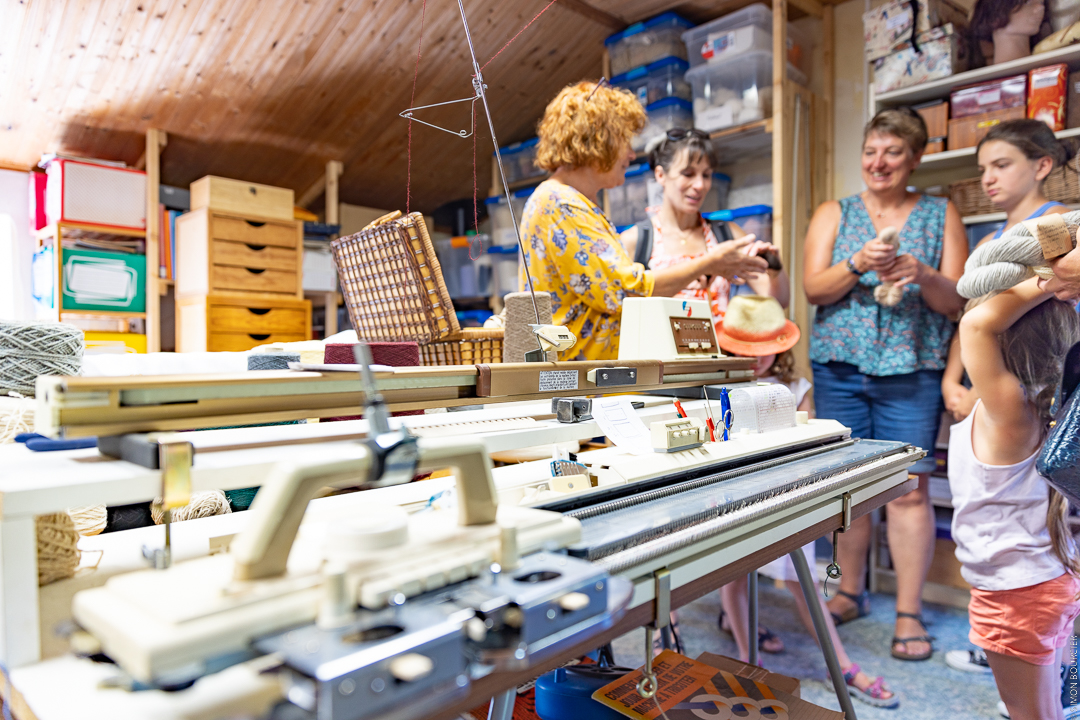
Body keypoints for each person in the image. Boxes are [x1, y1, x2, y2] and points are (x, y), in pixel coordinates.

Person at [803, 107, 968, 661]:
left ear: (914, 158)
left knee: (909, 492)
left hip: (912, 371)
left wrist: (922, 274)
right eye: (871, 150)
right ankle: (849, 591)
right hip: (840, 370)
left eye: (893, 152)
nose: (878, 162)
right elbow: (813, 289)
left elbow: (958, 305)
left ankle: (908, 611)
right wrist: (855, 262)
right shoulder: (836, 212)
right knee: (848, 491)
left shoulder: (941, 213)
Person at [713, 295, 899, 709]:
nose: (757, 360)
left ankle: (844, 666)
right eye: (747, 351)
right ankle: (750, 659)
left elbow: (808, 444)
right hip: (733, 498)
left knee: (805, 583)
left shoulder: (794, 388)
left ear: (779, 346)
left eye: (764, 351)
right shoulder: (717, 387)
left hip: (782, 496)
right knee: (734, 578)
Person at [518, 80, 769, 361]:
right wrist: (709, 262)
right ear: (598, 139)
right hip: (581, 382)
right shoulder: (560, 204)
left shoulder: (570, 202)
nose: (630, 154)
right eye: (624, 140)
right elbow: (625, 292)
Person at [951, 277, 1080, 720]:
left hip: (1016, 592)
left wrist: (1050, 279)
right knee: (1051, 705)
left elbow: (975, 325)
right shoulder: (1043, 408)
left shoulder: (1011, 413)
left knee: (1032, 713)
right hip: (1045, 580)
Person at [942, 119, 1071, 426]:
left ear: (1041, 167)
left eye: (1001, 165)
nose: (988, 178)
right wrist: (952, 380)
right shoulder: (989, 242)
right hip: (989, 374)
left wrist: (979, 392)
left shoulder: (1058, 223)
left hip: (1041, 380)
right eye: (983, 169)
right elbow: (971, 311)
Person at [619, 129, 789, 323]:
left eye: (706, 175)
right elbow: (624, 306)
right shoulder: (637, 241)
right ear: (660, 175)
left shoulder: (726, 234)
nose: (699, 185)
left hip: (722, 351)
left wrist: (775, 271)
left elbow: (777, 302)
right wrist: (708, 264)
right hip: (660, 353)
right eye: (688, 174)